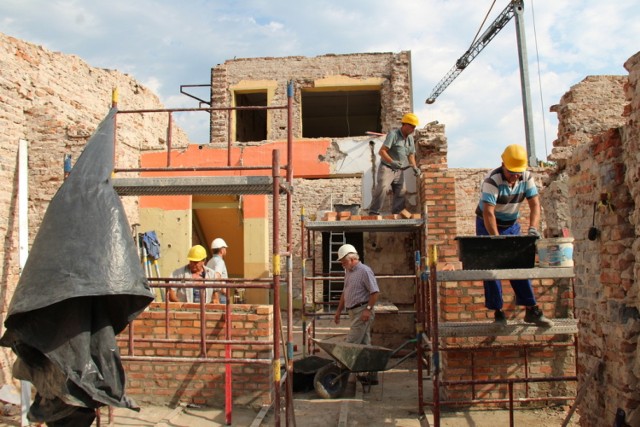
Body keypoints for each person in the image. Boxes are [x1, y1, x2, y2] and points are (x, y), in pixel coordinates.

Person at [475, 144, 553, 327]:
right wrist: (495, 239)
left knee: (519, 265)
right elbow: (488, 213)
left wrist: (533, 228)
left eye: (518, 172)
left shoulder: (526, 177)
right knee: (492, 267)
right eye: (511, 172)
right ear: (503, 165)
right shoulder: (492, 181)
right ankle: (498, 312)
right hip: (487, 224)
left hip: (511, 225)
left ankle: (531, 309)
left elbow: (535, 204)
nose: (515, 176)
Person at [333, 244, 380, 384]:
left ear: (352, 259)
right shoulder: (348, 271)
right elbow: (345, 291)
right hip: (353, 311)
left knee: (351, 343)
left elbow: (375, 292)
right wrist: (339, 311)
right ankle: (371, 376)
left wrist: (368, 309)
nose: (342, 264)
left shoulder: (364, 271)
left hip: (362, 311)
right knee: (365, 344)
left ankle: (337, 374)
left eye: (344, 261)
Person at [368, 112, 422, 215]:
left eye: (414, 127)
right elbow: (382, 151)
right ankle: (373, 212)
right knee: (382, 187)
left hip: (399, 170)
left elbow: (410, 155)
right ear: (405, 125)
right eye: (412, 126)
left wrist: (414, 167)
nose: (413, 129)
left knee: (401, 191)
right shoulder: (394, 135)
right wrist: (392, 162)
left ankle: (397, 213)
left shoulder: (410, 138)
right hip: (387, 167)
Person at [206, 237, 228, 304]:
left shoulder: (210, 261)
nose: (226, 250)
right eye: (225, 248)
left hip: (211, 294)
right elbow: (216, 276)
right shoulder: (220, 261)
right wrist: (223, 289)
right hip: (220, 295)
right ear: (221, 250)